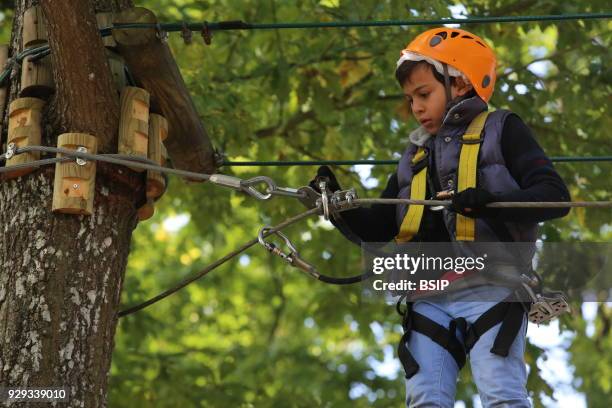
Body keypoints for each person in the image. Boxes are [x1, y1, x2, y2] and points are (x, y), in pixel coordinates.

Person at [309, 27, 571, 407]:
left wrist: (489, 201)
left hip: (493, 286)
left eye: (424, 94)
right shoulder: (414, 157)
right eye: (410, 98)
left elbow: (554, 197)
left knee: (501, 392)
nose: (415, 107)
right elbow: (381, 228)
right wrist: (336, 206)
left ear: (461, 84)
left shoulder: (502, 130)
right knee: (425, 398)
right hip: (428, 295)